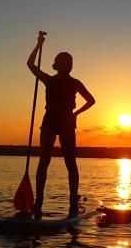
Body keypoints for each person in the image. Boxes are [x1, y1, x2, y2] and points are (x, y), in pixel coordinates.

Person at [26, 33, 95, 219]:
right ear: (58, 65)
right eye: (65, 62)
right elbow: (30, 64)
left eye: (70, 62)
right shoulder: (49, 80)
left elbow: (91, 100)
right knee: (44, 162)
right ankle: (38, 201)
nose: (69, 65)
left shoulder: (74, 83)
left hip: (66, 124)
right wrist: (39, 45)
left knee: (70, 163)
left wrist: (75, 114)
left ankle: (73, 201)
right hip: (49, 122)